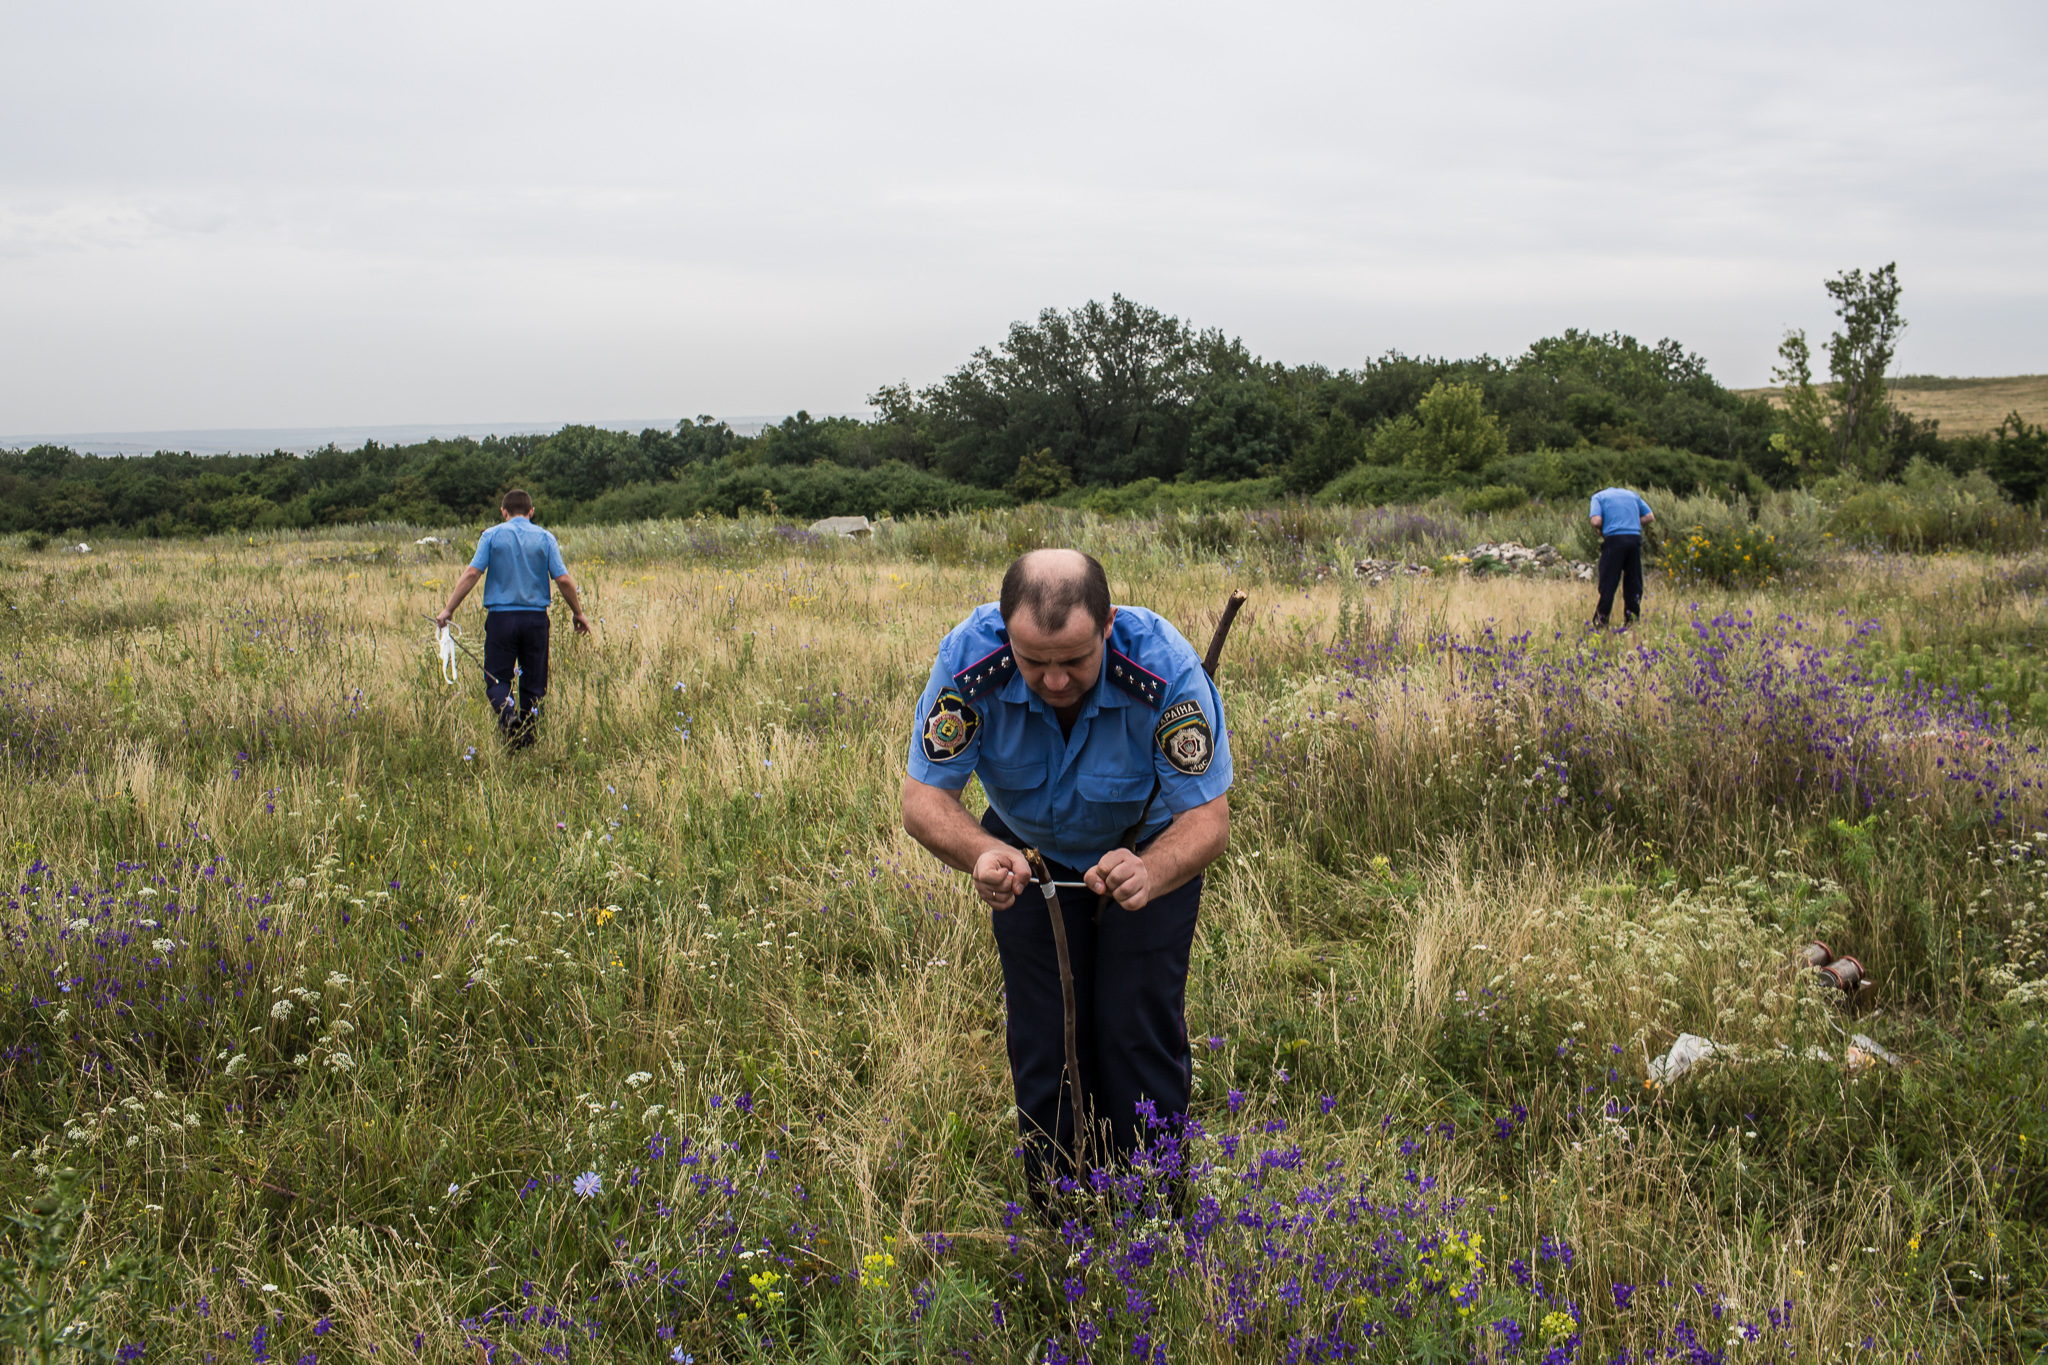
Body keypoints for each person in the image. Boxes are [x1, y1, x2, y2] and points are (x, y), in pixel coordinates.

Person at [900, 549, 1232, 1197]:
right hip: (1027, 853)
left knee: (1135, 1027)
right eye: (1034, 662)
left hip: (1146, 850)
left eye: (1075, 660)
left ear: (1109, 623)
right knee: (1047, 1034)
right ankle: (1063, 1213)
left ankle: (1153, 1207)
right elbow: (923, 800)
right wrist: (979, 853)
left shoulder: (1164, 667)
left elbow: (1207, 821)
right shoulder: (969, 663)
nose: (1054, 681)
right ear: (1004, 630)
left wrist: (1151, 871)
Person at [434, 490, 591, 747]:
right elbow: (562, 579)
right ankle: (526, 739)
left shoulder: (491, 536)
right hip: (536, 621)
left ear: (503, 512)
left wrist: (448, 609)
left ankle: (507, 717)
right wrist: (578, 612)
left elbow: (473, 573)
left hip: (501, 620)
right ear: (531, 511)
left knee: (497, 679)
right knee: (534, 683)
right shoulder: (545, 537)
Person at [1588, 485, 1655, 632]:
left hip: (1614, 541)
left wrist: (1605, 528)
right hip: (1634, 539)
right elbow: (1650, 516)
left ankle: (1601, 623)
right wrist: (1633, 523)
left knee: (1609, 582)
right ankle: (1632, 622)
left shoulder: (1598, 497)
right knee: (1633, 581)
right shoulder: (1632, 494)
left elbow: (1596, 521)